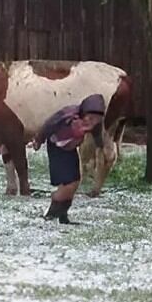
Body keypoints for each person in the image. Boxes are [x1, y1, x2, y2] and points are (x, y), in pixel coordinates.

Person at [32, 94, 106, 224]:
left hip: (70, 148)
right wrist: (39, 139)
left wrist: (101, 147)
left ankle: (62, 215)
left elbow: (97, 134)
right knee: (68, 184)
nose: (92, 122)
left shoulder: (94, 124)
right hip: (57, 147)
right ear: (84, 112)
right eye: (90, 118)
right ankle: (53, 209)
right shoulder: (68, 115)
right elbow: (50, 125)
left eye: (96, 120)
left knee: (75, 181)